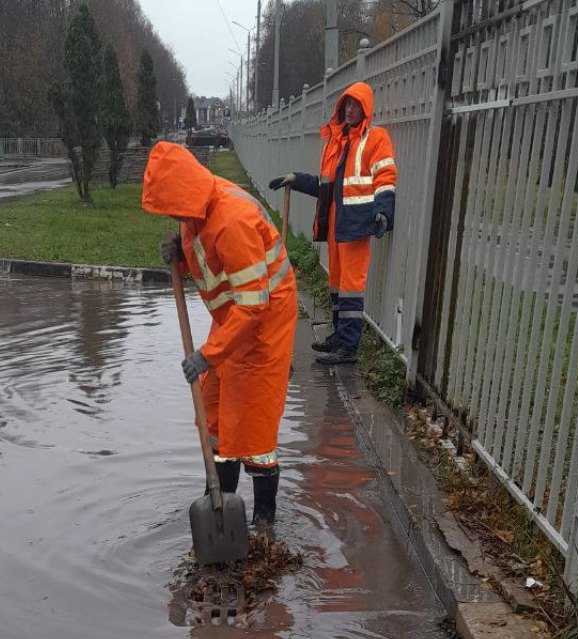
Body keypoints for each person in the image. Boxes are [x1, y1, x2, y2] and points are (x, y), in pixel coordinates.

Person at [141, 142, 297, 526]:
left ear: (185, 193)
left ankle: (264, 520)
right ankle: (221, 497)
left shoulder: (232, 220)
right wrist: (181, 250)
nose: (173, 215)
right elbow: (211, 260)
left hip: (263, 323)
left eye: (173, 208)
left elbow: (253, 305)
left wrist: (208, 354)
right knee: (214, 414)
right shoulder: (195, 209)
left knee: (253, 420)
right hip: (233, 319)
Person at [269, 81, 397, 365]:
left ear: (365, 109)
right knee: (337, 284)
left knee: (351, 286)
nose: (350, 110)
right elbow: (326, 187)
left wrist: (383, 212)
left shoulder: (375, 139)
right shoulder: (338, 144)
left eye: (355, 105)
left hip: (357, 224)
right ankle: (339, 338)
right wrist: (297, 179)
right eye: (346, 105)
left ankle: (348, 349)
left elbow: (385, 178)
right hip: (337, 225)